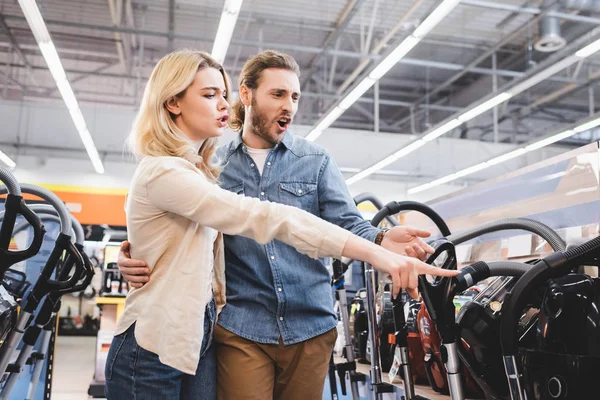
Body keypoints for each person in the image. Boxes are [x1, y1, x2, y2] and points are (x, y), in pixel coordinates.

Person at [116, 49, 454, 400]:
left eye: (294, 96)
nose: (289, 106)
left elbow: (348, 222)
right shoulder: (212, 167)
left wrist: (381, 239)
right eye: (277, 94)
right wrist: (135, 253)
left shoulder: (313, 160)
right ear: (246, 95)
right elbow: (254, 218)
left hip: (307, 323)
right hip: (238, 327)